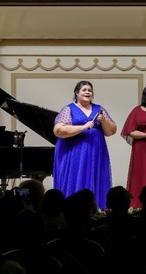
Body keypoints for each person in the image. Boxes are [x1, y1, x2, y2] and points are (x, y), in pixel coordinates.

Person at [52, 80, 117, 210]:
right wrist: (83, 127)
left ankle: (96, 211)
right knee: (75, 178)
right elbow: (58, 130)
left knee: (95, 179)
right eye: (84, 90)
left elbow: (112, 131)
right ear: (77, 93)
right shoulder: (69, 109)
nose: (87, 92)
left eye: (90, 90)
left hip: (96, 153)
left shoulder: (99, 109)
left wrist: (103, 120)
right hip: (75, 153)